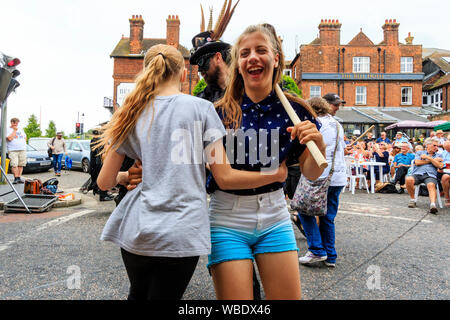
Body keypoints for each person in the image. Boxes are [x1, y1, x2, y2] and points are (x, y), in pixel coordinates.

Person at [95, 44, 288, 300]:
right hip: (181, 230)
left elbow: (104, 182)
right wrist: (275, 174)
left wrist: (125, 176)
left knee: (138, 294)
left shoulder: (131, 112)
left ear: (147, 71)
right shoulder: (201, 109)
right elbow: (224, 177)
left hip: (137, 230)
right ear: (184, 74)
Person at [205, 23, 325, 300]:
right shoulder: (216, 114)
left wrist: (318, 143)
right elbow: (223, 177)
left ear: (276, 58)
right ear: (238, 65)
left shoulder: (297, 110)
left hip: (274, 217)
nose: (253, 58)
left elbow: (313, 172)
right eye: (245, 53)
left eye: (261, 50)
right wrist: (277, 175)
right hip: (226, 219)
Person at [296, 96, 346, 267]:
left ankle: (317, 250)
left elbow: (308, 149)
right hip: (338, 176)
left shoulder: (316, 124)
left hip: (322, 174)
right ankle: (330, 256)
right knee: (327, 217)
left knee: (303, 210)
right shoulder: (336, 123)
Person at [405, 138, 443, 214]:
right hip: (418, 173)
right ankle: (413, 200)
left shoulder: (439, 155)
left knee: (431, 185)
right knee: (408, 179)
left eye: (437, 146)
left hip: (430, 175)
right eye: (434, 145)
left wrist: (428, 158)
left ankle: (433, 205)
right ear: (428, 145)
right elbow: (417, 162)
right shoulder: (420, 153)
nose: (436, 147)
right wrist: (433, 160)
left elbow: (440, 165)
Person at [89, 128, 114, 201]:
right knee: (103, 177)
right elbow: (102, 152)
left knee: (98, 178)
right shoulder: (99, 141)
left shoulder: (93, 140)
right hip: (99, 163)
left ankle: (103, 193)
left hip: (95, 163)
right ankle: (103, 196)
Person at [6, 117, 27, 184]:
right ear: (11, 123)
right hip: (13, 150)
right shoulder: (7, 129)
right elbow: (9, 138)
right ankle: (15, 178)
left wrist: (23, 143)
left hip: (22, 149)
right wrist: (14, 130)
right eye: (15, 123)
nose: (16, 124)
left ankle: (19, 177)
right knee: (14, 164)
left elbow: (25, 137)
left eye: (17, 123)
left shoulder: (21, 129)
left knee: (21, 164)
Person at [439, 140, 450, 206]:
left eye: (449, 149)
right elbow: (441, 163)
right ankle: (447, 197)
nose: (448, 150)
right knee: (445, 177)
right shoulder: (443, 153)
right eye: (446, 149)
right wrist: (440, 167)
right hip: (446, 171)